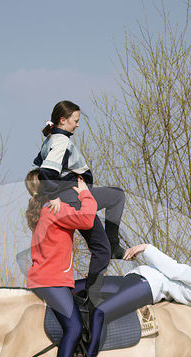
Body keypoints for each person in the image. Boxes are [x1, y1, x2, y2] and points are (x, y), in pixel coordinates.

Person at [33, 100, 126, 306]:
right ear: (62, 120)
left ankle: (111, 249)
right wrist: (54, 195)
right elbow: (46, 171)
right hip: (74, 196)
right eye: (75, 121)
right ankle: (93, 296)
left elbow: (39, 164)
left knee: (115, 201)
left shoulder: (51, 139)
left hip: (73, 194)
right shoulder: (60, 141)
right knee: (103, 244)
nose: (77, 125)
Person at [25, 172, 97, 357]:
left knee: (91, 286)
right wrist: (84, 192)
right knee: (74, 327)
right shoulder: (54, 209)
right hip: (52, 281)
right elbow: (87, 219)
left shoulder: (47, 208)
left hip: (51, 279)